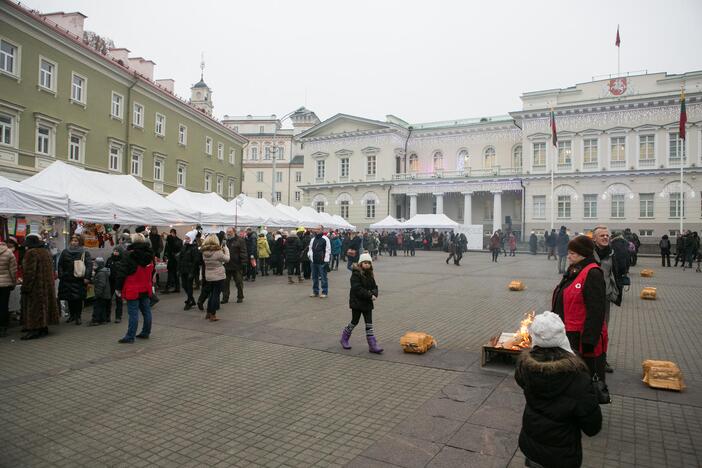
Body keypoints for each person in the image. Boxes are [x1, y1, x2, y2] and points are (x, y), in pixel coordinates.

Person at [515, 311, 602, 468]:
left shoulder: (524, 368)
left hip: (532, 448)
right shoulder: (578, 377)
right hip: (562, 456)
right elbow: (592, 427)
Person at [552, 235, 608, 382]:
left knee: (583, 380)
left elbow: (596, 311)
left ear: (583, 254)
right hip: (569, 335)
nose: (569, 256)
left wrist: (589, 342)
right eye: (569, 252)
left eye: (572, 253)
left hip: (582, 340)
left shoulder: (592, 273)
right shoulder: (574, 270)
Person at [592, 226, 625, 374]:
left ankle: (601, 359)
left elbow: (617, 271)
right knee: (589, 328)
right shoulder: (587, 253)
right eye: (602, 235)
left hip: (604, 297)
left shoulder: (612, 253)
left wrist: (616, 290)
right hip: (589, 297)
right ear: (594, 238)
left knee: (603, 330)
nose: (605, 237)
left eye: (607, 235)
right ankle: (586, 358)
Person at [340, 252, 382, 353]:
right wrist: (369, 295)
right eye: (365, 262)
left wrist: (374, 293)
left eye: (369, 263)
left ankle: (372, 344)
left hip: (367, 303)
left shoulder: (370, 274)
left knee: (369, 323)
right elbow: (357, 289)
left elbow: (374, 287)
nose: (367, 264)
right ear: (360, 264)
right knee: (354, 321)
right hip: (357, 303)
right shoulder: (355, 274)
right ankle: (344, 338)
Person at [115, 233, 154, 343]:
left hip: (132, 287)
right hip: (145, 286)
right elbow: (152, 270)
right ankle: (146, 332)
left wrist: (118, 288)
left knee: (133, 313)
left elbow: (121, 273)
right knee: (146, 311)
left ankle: (130, 336)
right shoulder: (150, 254)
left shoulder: (129, 255)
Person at [20, 234, 59, 340]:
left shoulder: (31, 253)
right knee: (45, 306)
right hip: (47, 285)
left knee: (35, 307)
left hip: (36, 286)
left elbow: (29, 272)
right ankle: (43, 327)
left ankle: (34, 329)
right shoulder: (46, 252)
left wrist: (26, 286)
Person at [58, 234, 93, 326]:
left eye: (76, 241)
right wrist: (61, 275)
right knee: (69, 298)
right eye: (72, 240)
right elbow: (60, 264)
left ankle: (78, 316)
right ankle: (72, 315)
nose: (73, 242)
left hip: (79, 279)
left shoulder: (84, 252)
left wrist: (87, 277)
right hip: (67, 278)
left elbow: (89, 266)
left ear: (80, 242)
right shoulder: (65, 252)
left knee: (78, 299)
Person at [201, 234, 230, 321]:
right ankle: (213, 314)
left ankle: (208, 312)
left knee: (211, 294)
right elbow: (227, 259)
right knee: (215, 295)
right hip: (218, 275)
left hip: (209, 275)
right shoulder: (218, 252)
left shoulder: (204, 252)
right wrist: (226, 249)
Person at [223, 228, 247, 303]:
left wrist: (244, 263)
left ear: (234, 232)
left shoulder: (240, 240)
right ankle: (225, 298)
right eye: (227, 232)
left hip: (237, 265)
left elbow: (243, 252)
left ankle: (240, 297)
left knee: (239, 282)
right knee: (225, 283)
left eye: (230, 232)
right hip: (227, 265)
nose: (228, 233)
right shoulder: (224, 241)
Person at [178, 230, 201, 310]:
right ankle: (191, 299)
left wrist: (192, 272)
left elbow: (196, 261)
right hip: (184, 269)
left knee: (189, 286)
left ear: (191, 238)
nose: (186, 239)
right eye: (185, 238)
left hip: (190, 270)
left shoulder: (194, 248)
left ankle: (189, 300)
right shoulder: (184, 246)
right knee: (184, 285)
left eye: (187, 238)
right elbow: (181, 257)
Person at [0, 239, 18, 337]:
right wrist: (14, 282)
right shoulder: (9, 253)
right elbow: (13, 270)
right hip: (5, 284)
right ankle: (3, 328)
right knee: (3, 305)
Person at [308, 225, 331, 298]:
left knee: (323, 277)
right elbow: (310, 248)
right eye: (316, 229)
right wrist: (310, 255)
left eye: (318, 229)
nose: (316, 230)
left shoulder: (325, 239)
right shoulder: (313, 239)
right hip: (314, 261)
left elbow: (328, 250)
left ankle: (324, 292)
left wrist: (326, 260)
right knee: (314, 277)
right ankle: (315, 291)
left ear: (322, 230)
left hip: (322, 261)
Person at [88, 257, 111, 326]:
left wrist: (97, 294)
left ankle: (95, 320)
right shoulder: (101, 272)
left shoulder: (101, 273)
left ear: (99, 265)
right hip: (104, 294)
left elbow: (101, 284)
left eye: (95, 265)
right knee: (102, 307)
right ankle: (103, 320)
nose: (94, 266)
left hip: (101, 294)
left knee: (97, 307)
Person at [105, 247, 123, 323]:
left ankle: (118, 317)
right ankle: (107, 316)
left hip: (118, 283)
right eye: (114, 251)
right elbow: (106, 268)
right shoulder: (109, 259)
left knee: (118, 300)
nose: (115, 252)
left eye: (117, 251)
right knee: (108, 299)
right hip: (110, 282)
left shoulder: (122, 260)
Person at [163, 229, 182, 293]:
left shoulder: (176, 241)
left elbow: (179, 250)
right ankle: (176, 288)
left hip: (174, 260)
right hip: (174, 260)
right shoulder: (174, 241)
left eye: (172, 233)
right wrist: (165, 256)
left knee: (172, 274)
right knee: (173, 274)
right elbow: (166, 250)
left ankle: (168, 288)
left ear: (175, 233)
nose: (171, 234)